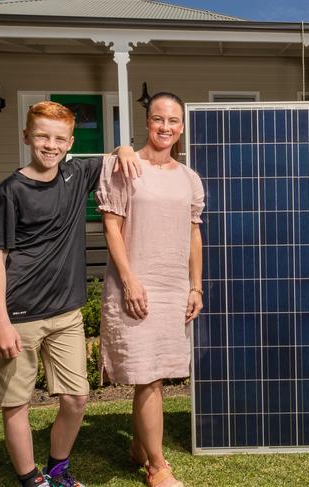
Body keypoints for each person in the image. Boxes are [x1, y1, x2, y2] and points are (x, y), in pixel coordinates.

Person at [0, 101, 139, 487]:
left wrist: (122, 148)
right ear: (26, 137)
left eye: (58, 138)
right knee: (16, 402)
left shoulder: (76, 173)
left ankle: (58, 469)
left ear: (70, 142)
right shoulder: (10, 191)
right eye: (41, 136)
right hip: (20, 315)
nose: (50, 145)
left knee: (76, 398)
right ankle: (31, 480)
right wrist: (0, 320)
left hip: (67, 313)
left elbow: (114, 157)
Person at [96, 92, 204, 487]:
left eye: (173, 121)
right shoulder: (122, 165)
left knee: (156, 371)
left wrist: (196, 287)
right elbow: (111, 225)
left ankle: (140, 446)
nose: (165, 127)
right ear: (147, 122)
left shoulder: (189, 177)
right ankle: (157, 468)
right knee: (149, 375)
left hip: (173, 284)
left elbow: (194, 234)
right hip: (135, 283)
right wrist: (128, 280)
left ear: (181, 127)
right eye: (158, 119)